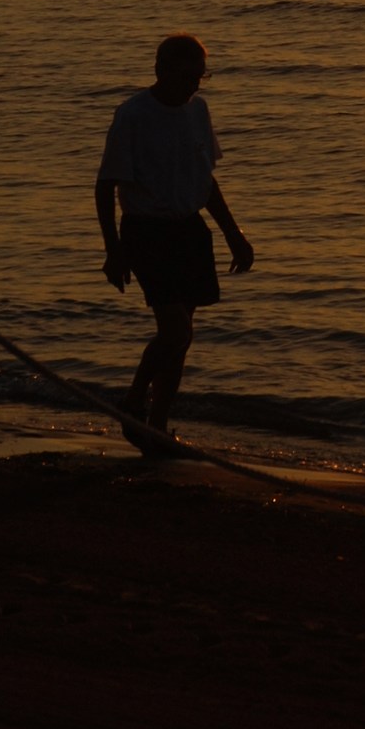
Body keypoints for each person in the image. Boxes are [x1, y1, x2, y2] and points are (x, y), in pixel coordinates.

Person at [95, 33, 254, 451]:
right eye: (188, 77)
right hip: (147, 231)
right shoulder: (133, 115)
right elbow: (105, 185)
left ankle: (157, 427)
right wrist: (113, 249)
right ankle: (132, 402)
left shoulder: (198, 111)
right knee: (174, 330)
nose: (195, 86)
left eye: (200, 77)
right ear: (162, 71)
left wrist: (233, 234)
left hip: (190, 231)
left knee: (183, 338)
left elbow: (206, 181)